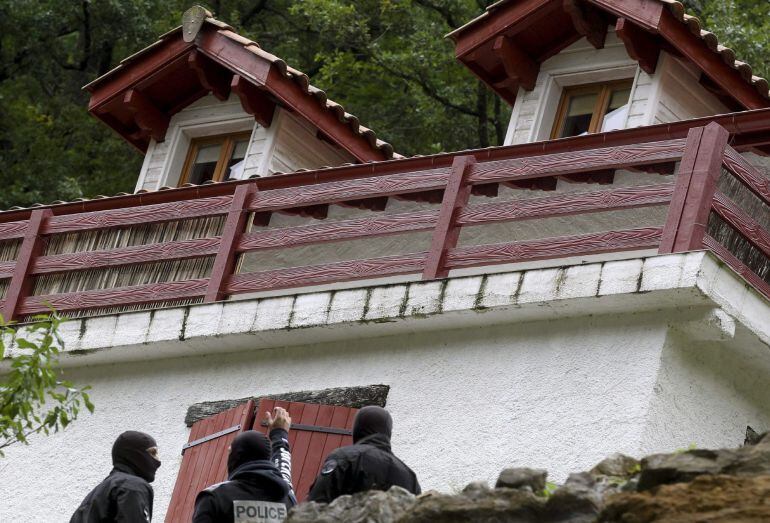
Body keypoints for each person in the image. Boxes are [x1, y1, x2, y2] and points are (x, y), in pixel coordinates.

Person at [192, 407, 297, 523]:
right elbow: (283, 468)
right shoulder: (287, 499)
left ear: (236, 456)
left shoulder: (215, 497)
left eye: (231, 450)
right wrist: (280, 434)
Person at [307, 406, 420, 503]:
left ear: (358, 428)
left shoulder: (345, 457)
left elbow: (316, 501)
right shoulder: (410, 477)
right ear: (388, 432)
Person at [70, 430, 161, 522]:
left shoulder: (103, 490)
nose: (158, 462)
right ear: (134, 454)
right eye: (153, 453)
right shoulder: (132, 486)